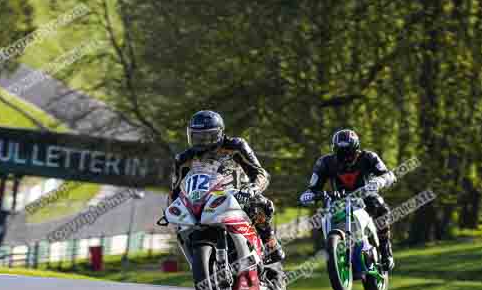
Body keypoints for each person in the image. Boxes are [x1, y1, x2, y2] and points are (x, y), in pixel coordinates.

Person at [169, 110, 285, 264]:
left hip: (237, 193)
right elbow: (175, 190)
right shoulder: (183, 158)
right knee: (179, 223)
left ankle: (269, 240)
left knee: (259, 204)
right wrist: (171, 208)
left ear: (219, 133)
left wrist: (252, 189)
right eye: (197, 137)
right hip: (203, 198)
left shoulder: (236, 146)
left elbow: (260, 173)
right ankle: (197, 260)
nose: (202, 142)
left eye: (208, 137)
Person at [299, 128, 397, 270]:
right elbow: (314, 186)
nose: (345, 159)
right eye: (341, 154)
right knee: (320, 218)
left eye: (349, 154)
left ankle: (386, 251)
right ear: (334, 150)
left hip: (366, 195)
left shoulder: (369, 157)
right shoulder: (324, 162)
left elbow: (389, 175)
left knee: (381, 208)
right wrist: (310, 195)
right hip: (337, 200)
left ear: (356, 149)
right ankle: (334, 251)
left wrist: (379, 181)